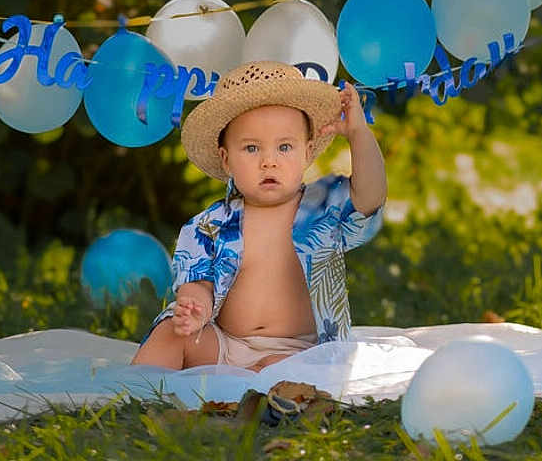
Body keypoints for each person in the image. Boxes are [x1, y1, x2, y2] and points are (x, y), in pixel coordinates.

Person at [131, 60, 386, 372]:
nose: (269, 161)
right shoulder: (209, 225)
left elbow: (371, 197)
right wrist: (195, 307)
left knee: (276, 368)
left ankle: (262, 397)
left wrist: (359, 134)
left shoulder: (324, 207)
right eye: (252, 149)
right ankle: (140, 390)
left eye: (284, 147)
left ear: (306, 152)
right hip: (224, 345)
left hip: (300, 349)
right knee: (170, 330)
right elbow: (198, 280)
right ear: (226, 160)